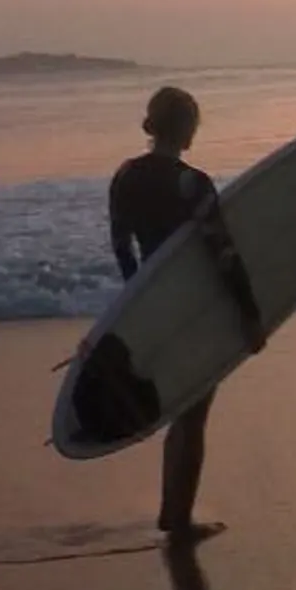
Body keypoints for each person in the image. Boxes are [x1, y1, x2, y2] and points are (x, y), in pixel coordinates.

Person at [105, 83, 250, 540]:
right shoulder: (192, 183)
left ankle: (173, 512)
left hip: (154, 306)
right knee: (193, 414)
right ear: (187, 129)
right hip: (196, 307)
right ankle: (178, 519)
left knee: (181, 407)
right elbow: (223, 253)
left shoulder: (125, 177)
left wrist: (138, 299)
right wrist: (249, 314)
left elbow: (121, 245)